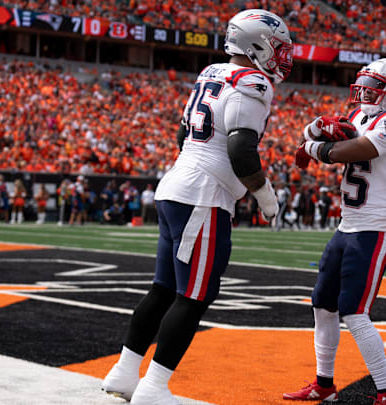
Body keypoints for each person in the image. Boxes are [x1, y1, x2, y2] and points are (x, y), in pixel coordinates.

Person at [101, 9, 292, 405]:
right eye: (275, 47)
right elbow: (241, 149)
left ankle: (122, 373)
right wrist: (266, 196)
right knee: (194, 296)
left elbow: (182, 132)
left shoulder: (212, 73)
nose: (280, 55)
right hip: (204, 197)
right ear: (255, 45)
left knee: (163, 289)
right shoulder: (253, 81)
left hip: (178, 185)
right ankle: (153, 389)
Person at [284, 58, 386, 405]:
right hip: (348, 226)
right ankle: (324, 384)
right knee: (323, 305)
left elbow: (354, 150)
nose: (365, 92)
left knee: (354, 311)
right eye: (365, 85)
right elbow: (316, 135)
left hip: (376, 229)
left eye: (375, 87)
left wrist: (314, 148)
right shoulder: (361, 117)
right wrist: (317, 126)